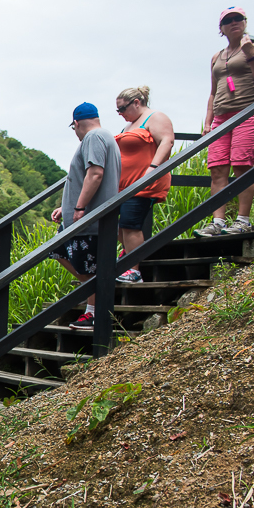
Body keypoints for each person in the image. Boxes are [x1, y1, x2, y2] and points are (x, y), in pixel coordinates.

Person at [197, 7, 254, 237]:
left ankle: (242, 220)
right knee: (217, 170)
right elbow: (213, 91)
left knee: (241, 166)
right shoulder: (216, 57)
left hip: (248, 113)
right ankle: (217, 222)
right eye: (228, 20)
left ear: (245, 22)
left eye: (238, 18)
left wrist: (250, 54)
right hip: (221, 117)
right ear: (221, 29)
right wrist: (208, 123)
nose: (233, 22)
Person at [49, 103, 122, 331]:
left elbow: (95, 173)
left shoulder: (93, 137)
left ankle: (93, 311)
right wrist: (66, 207)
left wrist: (79, 208)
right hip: (82, 218)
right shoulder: (105, 137)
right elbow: (85, 178)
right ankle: (95, 295)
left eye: (74, 128)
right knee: (56, 250)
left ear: (77, 124)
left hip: (89, 221)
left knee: (89, 268)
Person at [114, 87, 175, 283]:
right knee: (117, 226)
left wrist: (152, 168)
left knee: (130, 224)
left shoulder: (155, 118)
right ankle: (128, 255)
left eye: (123, 109)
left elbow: (167, 141)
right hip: (124, 185)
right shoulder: (129, 125)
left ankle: (134, 270)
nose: (121, 114)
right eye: (118, 111)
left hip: (143, 183)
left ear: (137, 102)